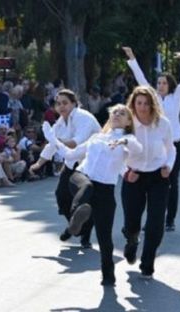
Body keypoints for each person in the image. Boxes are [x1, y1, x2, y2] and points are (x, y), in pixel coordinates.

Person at [42, 104, 142, 286]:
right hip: (81, 177)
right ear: (109, 118)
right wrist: (53, 139)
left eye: (122, 113)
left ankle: (108, 275)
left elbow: (135, 151)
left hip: (105, 190)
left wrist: (124, 145)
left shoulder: (128, 140)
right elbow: (71, 154)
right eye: (114, 113)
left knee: (104, 237)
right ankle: (75, 220)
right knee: (86, 187)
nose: (117, 115)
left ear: (129, 121)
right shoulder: (97, 137)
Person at [123, 47, 180, 232]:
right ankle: (151, 220)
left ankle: (170, 219)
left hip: (173, 144)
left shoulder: (175, 97)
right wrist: (132, 59)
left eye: (163, 83)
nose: (160, 85)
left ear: (170, 85)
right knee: (150, 183)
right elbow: (141, 80)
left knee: (171, 181)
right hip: (154, 146)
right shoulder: (152, 98)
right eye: (158, 82)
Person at [29, 89, 101, 247]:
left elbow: (76, 142)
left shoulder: (84, 118)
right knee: (61, 195)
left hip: (91, 164)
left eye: (65, 103)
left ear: (74, 103)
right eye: (58, 103)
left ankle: (84, 236)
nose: (61, 106)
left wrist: (55, 140)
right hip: (72, 162)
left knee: (83, 199)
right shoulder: (60, 122)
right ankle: (76, 227)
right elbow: (51, 145)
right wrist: (39, 164)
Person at [121, 86, 174, 280]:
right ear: (133, 104)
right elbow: (116, 153)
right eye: (138, 103)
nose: (142, 108)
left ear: (153, 104)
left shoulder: (163, 124)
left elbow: (171, 149)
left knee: (155, 222)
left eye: (146, 103)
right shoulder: (127, 124)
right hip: (133, 176)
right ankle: (131, 240)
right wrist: (126, 173)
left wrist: (168, 165)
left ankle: (147, 262)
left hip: (157, 176)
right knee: (131, 222)